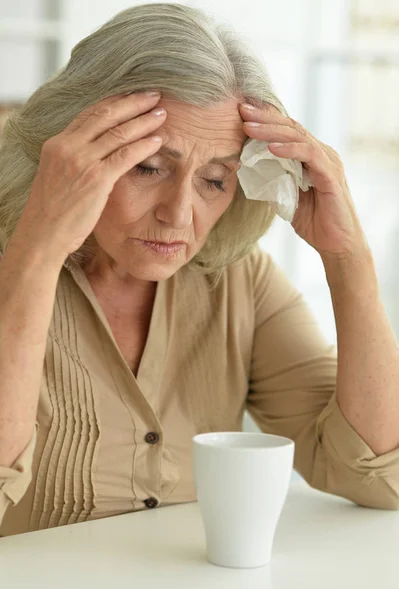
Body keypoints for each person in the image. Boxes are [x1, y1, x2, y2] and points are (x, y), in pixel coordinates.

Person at [0, 3, 398, 538]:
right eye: (148, 167)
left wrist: (348, 259)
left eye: (215, 180)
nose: (178, 215)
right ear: (71, 152)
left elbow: (379, 476)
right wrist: (37, 252)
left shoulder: (238, 280)